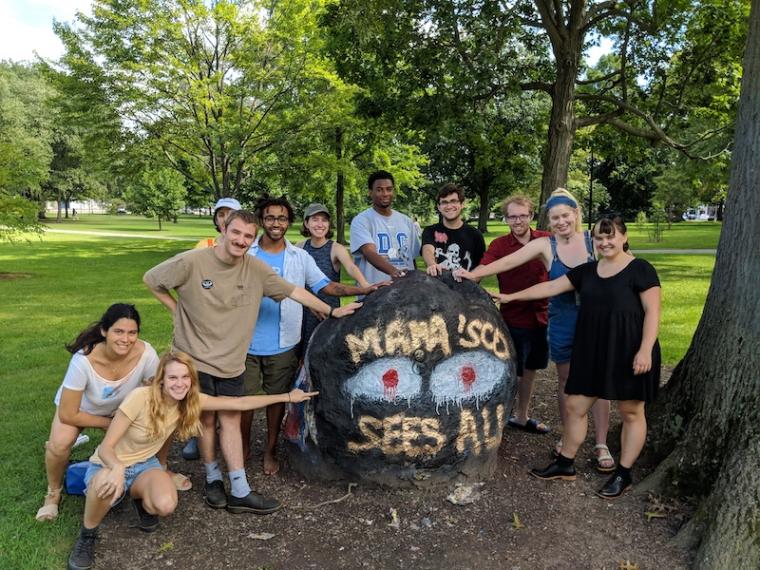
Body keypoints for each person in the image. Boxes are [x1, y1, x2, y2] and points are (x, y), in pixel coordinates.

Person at [143, 210, 360, 515]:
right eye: (236, 233)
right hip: (196, 358)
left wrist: (331, 310)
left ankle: (240, 489)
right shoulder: (193, 261)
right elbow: (152, 280)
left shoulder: (254, 268)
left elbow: (294, 291)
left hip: (233, 359)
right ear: (223, 230)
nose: (241, 241)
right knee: (206, 420)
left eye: (247, 236)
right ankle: (213, 480)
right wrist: (177, 311)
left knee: (230, 418)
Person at [66, 351, 318, 570]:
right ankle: (87, 535)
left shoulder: (190, 402)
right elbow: (107, 446)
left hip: (145, 467)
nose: (180, 383)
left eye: (185, 377)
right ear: (161, 379)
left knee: (165, 505)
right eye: (173, 377)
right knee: (105, 489)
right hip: (109, 462)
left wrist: (287, 397)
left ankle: (138, 498)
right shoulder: (140, 398)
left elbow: (240, 403)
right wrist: (117, 467)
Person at [490, 216, 661, 498]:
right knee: (574, 406)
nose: (605, 242)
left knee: (631, 411)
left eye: (611, 237)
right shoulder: (587, 271)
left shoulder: (640, 269)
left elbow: (653, 312)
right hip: (593, 350)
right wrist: (509, 297)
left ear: (624, 237)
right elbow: (549, 288)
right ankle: (565, 463)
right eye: (599, 238)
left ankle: (624, 473)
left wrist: (645, 349)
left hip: (630, 350)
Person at [455, 189, 614, 473]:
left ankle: (601, 443)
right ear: (549, 222)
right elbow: (506, 262)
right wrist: (473, 275)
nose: (561, 221)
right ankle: (569, 439)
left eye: (566, 215)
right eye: (555, 218)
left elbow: (624, 265)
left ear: (576, 214)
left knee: (599, 381)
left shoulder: (594, 239)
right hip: (562, 318)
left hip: (597, 320)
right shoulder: (546, 244)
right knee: (566, 381)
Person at [243, 196, 377, 475]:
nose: (276, 223)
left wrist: (365, 290)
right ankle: (242, 447)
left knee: (279, 400)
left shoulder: (299, 257)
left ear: (288, 222)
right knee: (242, 402)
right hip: (244, 341)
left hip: (283, 342)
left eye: (281, 218)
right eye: (269, 218)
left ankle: (269, 449)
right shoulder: (246, 253)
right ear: (261, 221)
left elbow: (326, 286)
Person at [36, 304, 160, 523]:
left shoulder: (146, 353)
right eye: (118, 332)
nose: (126, 339)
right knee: (59, 444)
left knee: (159, 421)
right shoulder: (83, 360)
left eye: (132, 332)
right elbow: (67, 414)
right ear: (104, 331)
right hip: (81, 409)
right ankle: (53, 494)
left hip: (121, 409)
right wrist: (106, 424)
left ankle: (160, 469)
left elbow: (158, 393)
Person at [479, 195, 551, 434]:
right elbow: (483, 269)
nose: (518, 220)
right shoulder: (499, 245)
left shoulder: (547, 240)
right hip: (513, 318)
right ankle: (497, 419)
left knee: (531, 369)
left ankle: (522, 416)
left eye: (523, 215)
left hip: (544, 317)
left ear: (531, 216)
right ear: (506, 218)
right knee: (510, 371)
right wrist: (464, 277)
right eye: (512, 216)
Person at [183, 196, 242, 461]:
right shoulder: (204, 247)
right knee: (203, 391)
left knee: (229, 396)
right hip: (206, 334)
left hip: (234, 332)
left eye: (232, 214)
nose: (225, 218)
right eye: (221, 214)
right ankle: (199, 435)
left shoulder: (246, 249)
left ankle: (226, 438)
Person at [297, 202, 372, 350]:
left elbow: (350, 267)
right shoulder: (300, 247)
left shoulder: (335, 248)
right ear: (306, 223)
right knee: (299, 353)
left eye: (324, 220)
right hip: (303, 309)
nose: (320, 224)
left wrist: (366, 286)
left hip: (327, 312)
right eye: (315, 219)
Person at [350, 170, 421, 283]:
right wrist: (395, 272)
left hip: (406, 291)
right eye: (379, 190)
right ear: (370, 192)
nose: (385, 193)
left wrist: (415, 281)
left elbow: (411, 258)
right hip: (375, 292)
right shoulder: (361, 221)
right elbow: (369, 252)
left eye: (389, 189)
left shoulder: (406, 221)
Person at [421, 183, 485, 276]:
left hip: (467, 288)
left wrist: (471, 279)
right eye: (444, 202)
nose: (449, 206)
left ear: (462, 204)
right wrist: (432, 264)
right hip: (438, 287)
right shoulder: (430, 231)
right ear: (439, 207)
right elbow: (427, 250)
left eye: (453, 201)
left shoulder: (475, 235)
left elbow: (482, 265)